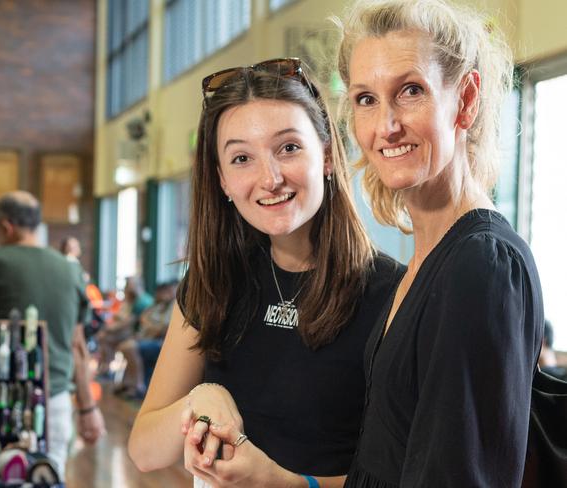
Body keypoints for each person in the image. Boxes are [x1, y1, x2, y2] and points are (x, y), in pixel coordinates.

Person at [128, 58, 404, 487]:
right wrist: (201, 399)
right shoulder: (214, 283)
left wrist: (283, 481)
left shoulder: (394, 294)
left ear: (327, 155)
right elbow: (144, 449)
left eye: (288, 148)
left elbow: (404, 477)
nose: (269, 178)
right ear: (221, 180)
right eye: (241, 158)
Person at [335, 0, 544, 486]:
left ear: (465, 100)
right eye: (366, 99)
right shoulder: (429, 257)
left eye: (410, 91)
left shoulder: (482, 266)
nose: (385, 126)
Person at [0, 191, 105, 480]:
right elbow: (78, 346)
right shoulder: (70, 270)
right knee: (49, 477)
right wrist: (88, 408)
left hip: (1, 397)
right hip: (54, 399)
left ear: (6, 227)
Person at [115, 281, 177, 398]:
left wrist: (150, 326)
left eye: (168, 291)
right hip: (148, 338)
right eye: (163, 291)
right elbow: (144, 319)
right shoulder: (158, 305)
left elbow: (163, 328)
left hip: (162, 342)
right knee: (125, 346)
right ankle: (129, 383)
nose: (164, 294)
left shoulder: (175, 306)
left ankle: (138, 385)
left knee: (128, 347)